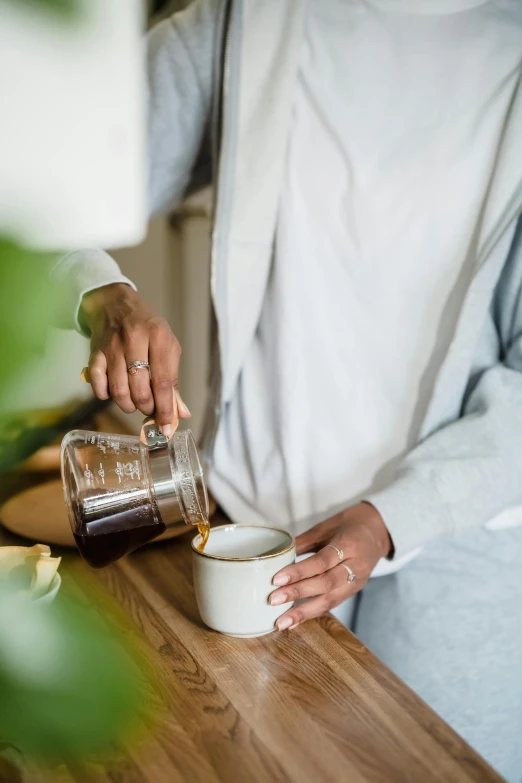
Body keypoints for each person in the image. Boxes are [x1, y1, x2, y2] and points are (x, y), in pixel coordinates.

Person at [53, 1, 522, 778]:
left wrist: (391, 518)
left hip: (462, 555)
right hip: (249, 532)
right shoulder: (246, 20)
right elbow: (44, 174)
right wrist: (100, 291)